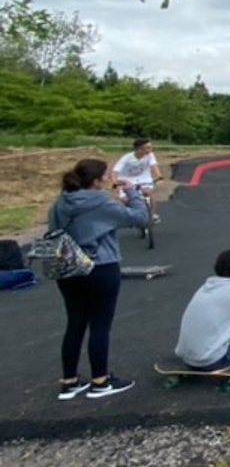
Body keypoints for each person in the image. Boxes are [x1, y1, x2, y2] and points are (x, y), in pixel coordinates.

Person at [50, 159, 150, 400]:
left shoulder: (61, 202)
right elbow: (140, 217)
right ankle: (100, 381)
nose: (108, 179)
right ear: (96, 181)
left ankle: (70, 381)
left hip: (67, 266)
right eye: (105, 176)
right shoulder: (100, 202)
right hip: (100, 266)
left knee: (75, 323)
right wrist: (132, 193)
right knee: (100, 325)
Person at [110, 137, 163, 223]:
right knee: (126, 200)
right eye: (148, 148)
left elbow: (154, 166)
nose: (151, 149)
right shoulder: (127, 158)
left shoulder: (150, 155)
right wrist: (114, 182)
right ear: (139, 149)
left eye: (151, 147)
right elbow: (115, 171)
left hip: (144, 178)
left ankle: (152, 215)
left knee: (148, 193)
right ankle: (131, 214)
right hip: (126, 180)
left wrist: (159, 177)